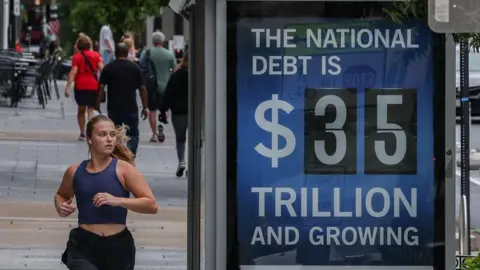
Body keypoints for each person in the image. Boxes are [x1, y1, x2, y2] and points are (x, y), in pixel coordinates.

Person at [55, 115, 158, 270]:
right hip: (83, 245)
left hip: (118, 246)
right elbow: (61, 195)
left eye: (112, 135)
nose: (109, 139)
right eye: (102, 134)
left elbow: (151, 205)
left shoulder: (124, 170)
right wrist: (60, 205)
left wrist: (118, 201)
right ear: (89, 138)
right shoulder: (74, 171)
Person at [97, 43, 149, 157]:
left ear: (116, 54)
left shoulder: (109, 68)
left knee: (113, 132)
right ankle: (130, 154)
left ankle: (115, 154)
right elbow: (142, 88)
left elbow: (101, 88)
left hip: (114, 107)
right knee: (133, 133)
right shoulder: (135, 68)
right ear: (127, 53)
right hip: (130, 106)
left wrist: (97, 105)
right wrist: (145, 107)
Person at [139, 31, 177, 143]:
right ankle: (161, 125)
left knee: (152, 110)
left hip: (151, 86)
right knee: (163, 109)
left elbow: (142, 67)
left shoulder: (147, 53)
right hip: (165, 86)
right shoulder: (169, 54)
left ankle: (154, 134)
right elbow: (174, 70)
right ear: (163, 41)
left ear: (153, 41)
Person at [65, 35, 103, 141]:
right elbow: (102, 69)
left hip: (80, 86)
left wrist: (68, 87)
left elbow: (73, 72)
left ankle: (82, 133)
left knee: (81, 110)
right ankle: (90, 132)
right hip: (93, 85)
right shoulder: (96, 55)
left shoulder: (76, 57)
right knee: (91, 109)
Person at [160, 52, 188, 177]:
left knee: (180, 138)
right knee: (197, 139)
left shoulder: (176, 74)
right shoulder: (200, 75)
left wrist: (163, 110)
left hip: (179, 111)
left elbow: (168, 93)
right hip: (196, 113)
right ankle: (193, 164)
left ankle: (182, 161)